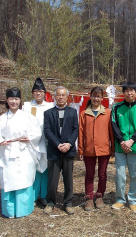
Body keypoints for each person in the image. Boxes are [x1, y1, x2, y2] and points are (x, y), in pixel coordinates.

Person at [0, 87, 42, 218]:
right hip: (8, 152)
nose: (14, 102)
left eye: (16, 99)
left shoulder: (28, 117)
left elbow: (37, 131)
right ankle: (9, 210)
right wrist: (0, 140)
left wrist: (30, 138)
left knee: (24, 179)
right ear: (7, 100)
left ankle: (24, 209)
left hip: (24, 152)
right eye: (11, 99)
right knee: (8, 180)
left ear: (20, 100)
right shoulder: (1, 119)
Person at [111, 82, 136, 214]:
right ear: (123, 93)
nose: (129, 93)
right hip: (120, 147)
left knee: (135, 174)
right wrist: (122, 141)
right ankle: (120, 199)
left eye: (132, 90)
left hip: (135, 146)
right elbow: (114, 126)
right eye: (126, 90)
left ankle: (133, 200)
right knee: (120, 174)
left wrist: (131, 141)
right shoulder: (116, 107)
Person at [43, 86, 79, 215]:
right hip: (54, 150)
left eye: (63, 95)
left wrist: (69, 144)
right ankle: (50, 202)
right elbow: (47, 131)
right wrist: (58, 144)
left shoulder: (72, 112)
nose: (61, 97)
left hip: (68, 151)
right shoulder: (48, 113)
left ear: (67, 97)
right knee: (52, 179)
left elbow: (76, 129)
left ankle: (68, 203)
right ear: (54, 96)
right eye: (58, 95)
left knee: (68, 178)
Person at [78, 87, 115, 211]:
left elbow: (111, 132)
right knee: (89, 174)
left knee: (102, 174)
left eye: (98, 96)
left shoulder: (107, 113)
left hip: (103, 148)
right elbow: (81, 133)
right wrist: (80, 149)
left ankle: (99, 195)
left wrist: (113, 148)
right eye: (94, 96)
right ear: (90, 97)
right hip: (89, 149)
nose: (96, 98)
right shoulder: (84, 113)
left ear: (102, 98)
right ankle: (89, 197)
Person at [23, 77, 54, 206]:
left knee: (46, 168)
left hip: (47, 141)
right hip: (31, 144)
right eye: (36, 91)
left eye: (41, 91)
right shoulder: (26, 106)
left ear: (44, 93)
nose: (38, 93)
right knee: (33, 168)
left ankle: (45, 195)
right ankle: (34, 195)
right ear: (32, 93)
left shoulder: (50, 106)